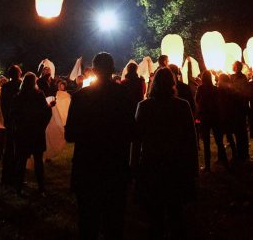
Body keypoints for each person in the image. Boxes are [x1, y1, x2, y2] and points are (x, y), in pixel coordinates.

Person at [64, 52, 137, 240]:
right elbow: (132, 131)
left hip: (87, 167)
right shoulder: (123, 95)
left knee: (88, 222)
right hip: (115, 167)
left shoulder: (80, 97)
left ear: (93, 71)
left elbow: (70, 134)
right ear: (113, 71)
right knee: (114, 223)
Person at [133, 67, 198, 239]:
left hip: (151, 164)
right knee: (176, 211)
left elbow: (136, 138)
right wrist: (192, 168)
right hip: (175, 164)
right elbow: (191, 139)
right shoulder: (182, 106)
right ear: (172, 84)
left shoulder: (144, 107)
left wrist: (134, 167)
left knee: (155, 216)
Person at [9, 72, 53, 196]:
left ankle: (18, 188)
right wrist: (49, 108)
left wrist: (18, 127)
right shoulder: (39, 95)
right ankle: (41, 187)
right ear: (34, 82)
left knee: (21, 161)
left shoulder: (17, 97)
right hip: (36, 133)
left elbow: (13, 115)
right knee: (38, 161)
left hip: (22, 134)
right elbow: (45, 113)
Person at [195, 70, 228, 170]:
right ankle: (225, 162)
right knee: (219, 140)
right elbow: (219, 102)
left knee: (206, 142)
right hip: (215, 116)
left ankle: (207, 166)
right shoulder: (215, 89)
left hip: (205, 117)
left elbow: (197, 100)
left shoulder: (200, 88)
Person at [0, 65, 22, 186]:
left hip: (9, 120)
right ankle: (17, 177)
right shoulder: (21, 85)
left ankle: (7, 176)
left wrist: (6, 119)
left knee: (8, 149)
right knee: (18, 149)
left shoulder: (5, 87)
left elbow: (3, 105)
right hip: (19, 121)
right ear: (18, 73)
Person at [229, 62, 250, 160]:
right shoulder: (234, 77)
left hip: (239, 106)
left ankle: (244, 153)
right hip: (236, 107)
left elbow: (243, 91)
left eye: (236, 66)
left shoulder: (242, 77)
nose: (235, 67)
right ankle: (241, 152)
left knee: (241, 131)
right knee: (239, 131)